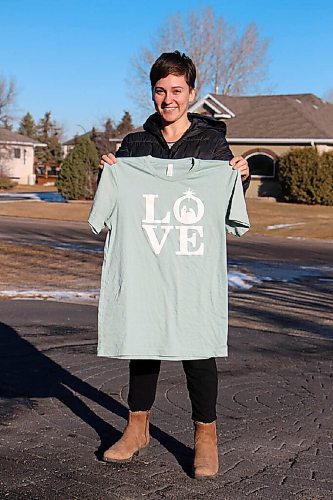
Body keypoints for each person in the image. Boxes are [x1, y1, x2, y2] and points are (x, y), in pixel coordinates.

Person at [97, 51, 250, 479]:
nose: (168, 99)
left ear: (192, 93)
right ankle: (137, 428)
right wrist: (108, 173)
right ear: (153, 93)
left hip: (191, 269)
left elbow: (231, 206)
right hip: (146, 267)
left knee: (197, 350)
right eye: (161, 91)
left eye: (177, 91)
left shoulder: (212, 144)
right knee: (143, 345)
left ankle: (206, 438)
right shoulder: (135, 145)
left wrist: (239, 175)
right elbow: (112, 206)